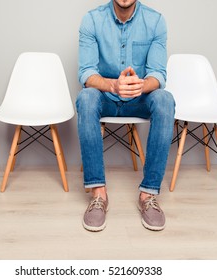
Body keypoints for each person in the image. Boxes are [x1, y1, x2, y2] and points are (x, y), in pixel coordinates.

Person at [76, 0, 175, 232]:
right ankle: (98, 194)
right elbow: (86, 72)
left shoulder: (156, 21)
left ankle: (148, 194)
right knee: (86, 97)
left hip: (138, 99)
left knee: (164, 99)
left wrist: (137, 86)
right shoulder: (91, 20)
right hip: (106, 98)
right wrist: (113, 86)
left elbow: (158, 74)